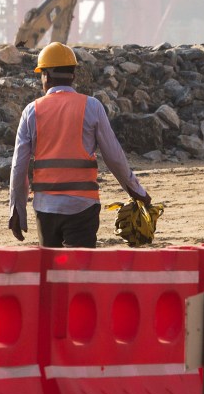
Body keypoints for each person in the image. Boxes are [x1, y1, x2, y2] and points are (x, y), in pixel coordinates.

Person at [8, 42, 151, 248]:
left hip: (46, 208)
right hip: (83, 206)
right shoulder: (92, 106)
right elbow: (114, 156)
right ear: (73, 75)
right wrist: (136, 191)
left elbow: (18, 166)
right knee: (81, 273)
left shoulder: (31, 111)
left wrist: (16, 210)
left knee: (52, 272)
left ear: (45, 75)